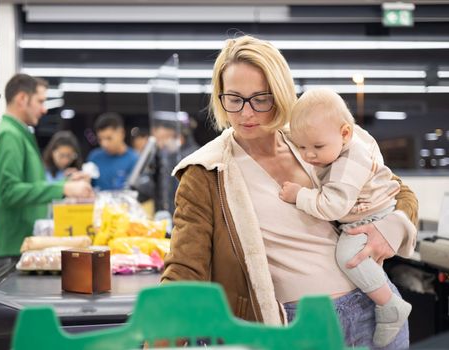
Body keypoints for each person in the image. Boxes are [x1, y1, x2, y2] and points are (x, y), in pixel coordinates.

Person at [160, 36, 418, 349]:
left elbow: (396, 190)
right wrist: (160, 340)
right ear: (220, 97)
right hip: (297, 328)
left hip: (374, 308)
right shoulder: (206, 171)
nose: (246, 113)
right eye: (234, 99)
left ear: (280, 94)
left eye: (260, 99)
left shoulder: (312, 139)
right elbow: (184, 270)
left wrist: (392, 226)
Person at [278, 88, 411, 347]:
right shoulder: (333, 144)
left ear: (345, 133)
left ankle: (389, 305)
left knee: (349, 255)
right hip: (363, 213)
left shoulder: (352, 158)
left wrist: (299, 195)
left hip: (372, 214)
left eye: (317, 146)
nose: (308, 155)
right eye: (301, 146)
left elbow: (333, 206)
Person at [0, 74, 94, 258]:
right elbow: (9, 191)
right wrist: (63, 188)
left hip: (25, 243)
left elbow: (31, 182)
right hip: (15, 246)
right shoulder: (10, 135)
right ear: (22, 99)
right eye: (40, 101)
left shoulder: (20, 134)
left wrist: (67, 182)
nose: (43, 109)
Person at [87, 112, 138, 190]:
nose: (104, 144)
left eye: (109, 138)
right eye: (100, 139)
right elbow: (88, 185)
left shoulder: (134, 159)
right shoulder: (94, 157)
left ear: (121, 133)